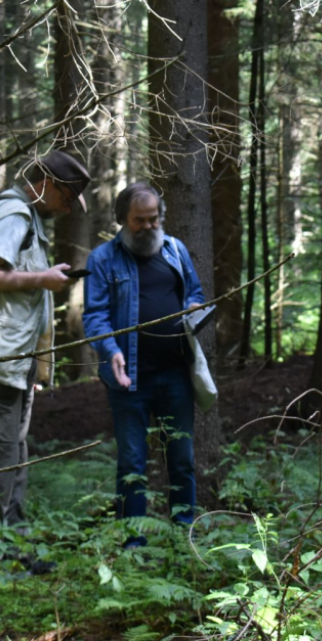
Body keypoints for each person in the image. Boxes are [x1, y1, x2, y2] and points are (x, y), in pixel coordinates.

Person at [0, 150, 90, 562]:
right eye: (67, 197)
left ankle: (15, 551)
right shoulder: (13, 214)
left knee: (14, 457)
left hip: (14, 360)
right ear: (46, 183)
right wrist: (43, 278)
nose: (67, 208)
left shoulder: (27, 219)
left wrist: (36, 363)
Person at [82, 182, 205, 548]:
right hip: (128, 378)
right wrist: (111, 351)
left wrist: (195, 310)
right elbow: (95, 315)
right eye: (140, 220)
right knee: (132, 463)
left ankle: (185, 535)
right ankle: (134, 543)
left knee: (181, 457)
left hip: (177, 374)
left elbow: (195, 293)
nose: (149, 226)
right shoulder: (103, 259)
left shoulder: (176, 249)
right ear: (123, 220)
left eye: (154, 219)